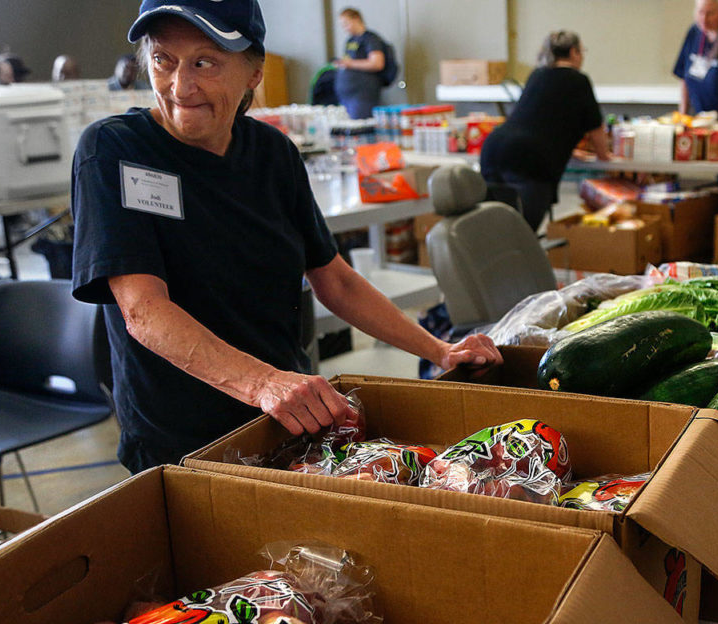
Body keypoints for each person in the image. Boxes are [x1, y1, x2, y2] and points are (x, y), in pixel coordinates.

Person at [71, 0, 501, 474]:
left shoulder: (272, 153)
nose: (180, 86)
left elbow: (334, 280)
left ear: (254, 72)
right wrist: (265, 384)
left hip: (287, 423)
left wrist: (439, 350)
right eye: (162, 60)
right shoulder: (114, 149)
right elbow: (143, 311)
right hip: (181, 443)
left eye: (204, 62)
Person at [479, 31, 611, 233]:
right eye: (582, 51)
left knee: (492, 230)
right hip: (530, 161)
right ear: (574, 52)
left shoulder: (537, 75)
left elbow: (538, 120)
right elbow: (595, 127)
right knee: (520, 236)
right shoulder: (578, 80)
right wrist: (605, 157)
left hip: (494, 149)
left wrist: (566, 148)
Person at [334, 7, 385, 119]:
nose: (344, 28)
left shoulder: (370, 39)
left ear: (356, 19)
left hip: (362, 96)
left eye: (346, 23)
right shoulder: (350, 40)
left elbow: (377, 63)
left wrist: (349, 63)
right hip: (347, 96)